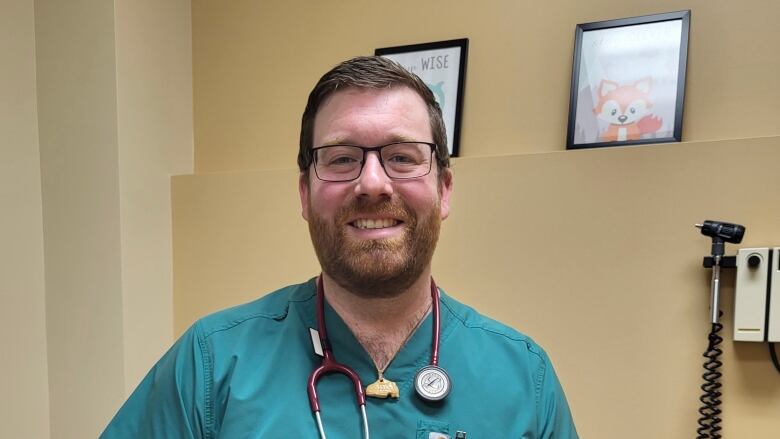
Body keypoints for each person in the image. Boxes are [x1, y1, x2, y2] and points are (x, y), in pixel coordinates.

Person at [101, 56, 578, 438]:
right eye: (342, 158)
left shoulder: (522, 377)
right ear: (305, 194)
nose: (373, 183)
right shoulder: (211, 364)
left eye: (401, 157)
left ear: (444, 189)